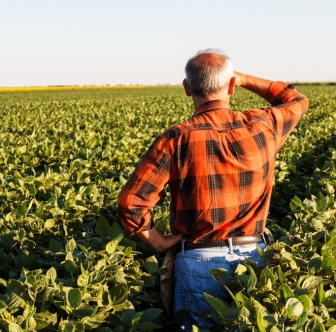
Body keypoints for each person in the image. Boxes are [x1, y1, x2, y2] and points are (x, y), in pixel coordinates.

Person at [117, 49, 309, 329]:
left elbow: (131, 204)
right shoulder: (263, 126)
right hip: (253, 259)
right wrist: (243, 78)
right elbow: (296, 99)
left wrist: (158, 242)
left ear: (186, 88)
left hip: (197, 261)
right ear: (231, 86)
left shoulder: (174, 139)